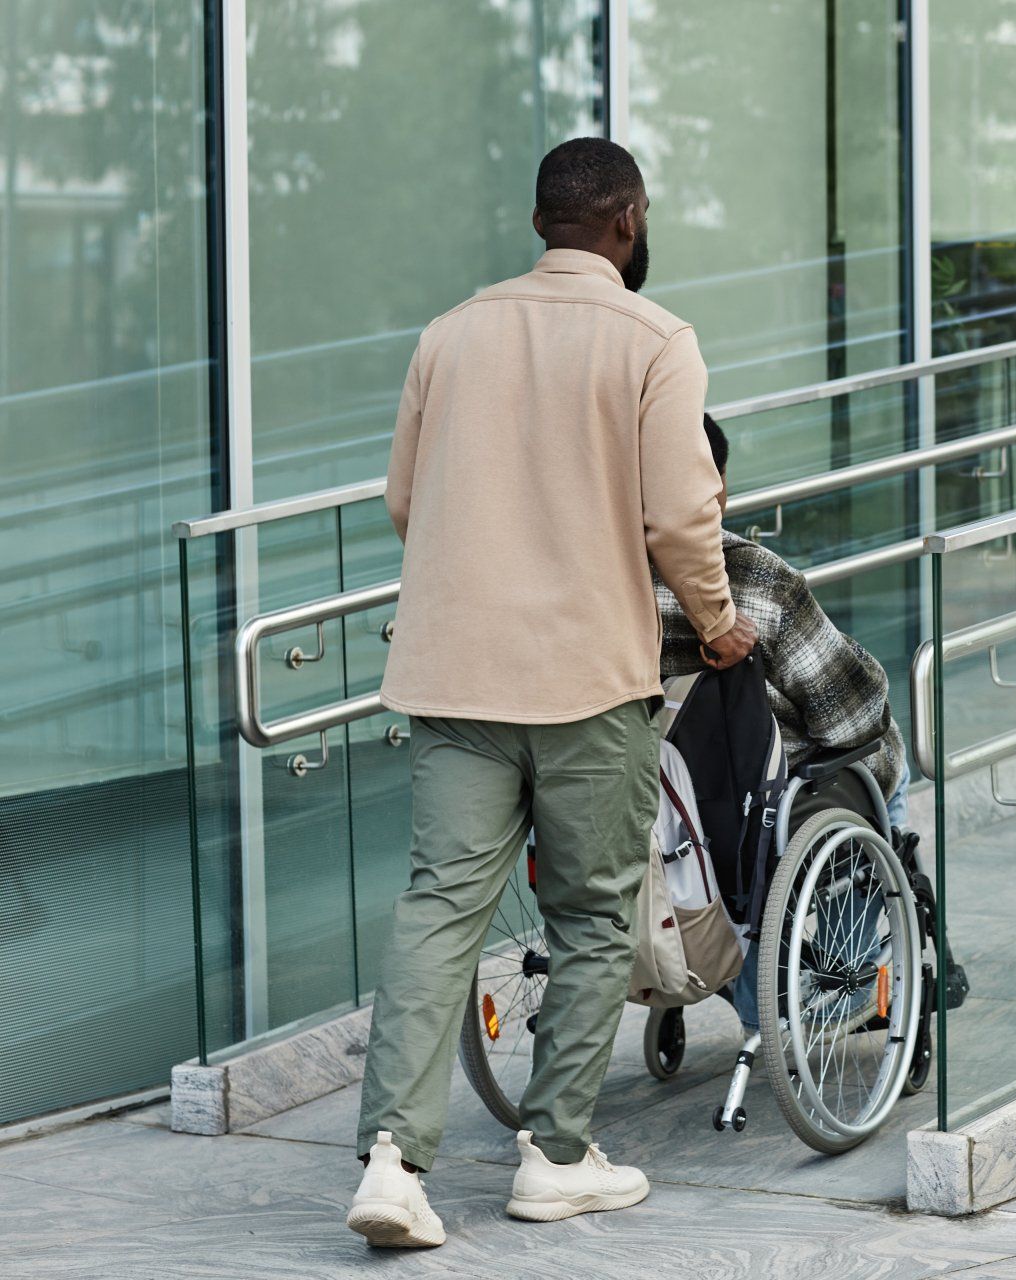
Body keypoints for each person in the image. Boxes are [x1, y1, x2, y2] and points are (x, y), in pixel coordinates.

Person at [347, 137, 756, 1249]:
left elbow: (403, 497)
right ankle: (555, 1156)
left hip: (456, 671)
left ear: (542, 223)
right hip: (586, 678)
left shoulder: (451, 334)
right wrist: (717, 628)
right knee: (588, 914)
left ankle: (391, 1159)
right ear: (625, 222)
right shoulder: (654, 339)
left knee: (440, 908)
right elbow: (682, 516)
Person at [655, 415, 909, 1028]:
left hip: (639, 799)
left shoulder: (594, 586)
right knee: (888, 780)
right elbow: (850, 713)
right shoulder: (756, 581)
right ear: (715, 488)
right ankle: (844, 974)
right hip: (751, 810)